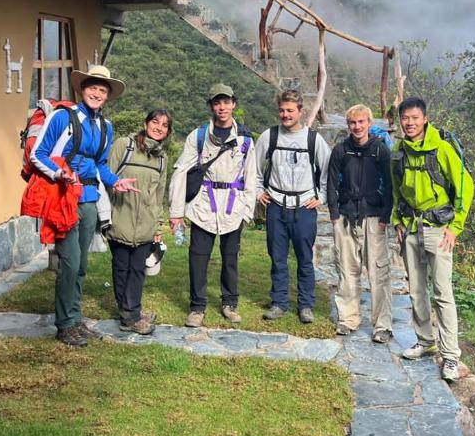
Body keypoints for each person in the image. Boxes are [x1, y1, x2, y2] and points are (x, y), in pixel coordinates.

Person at [30, 65, 139, 347]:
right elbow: (37, 154)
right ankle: (65, 324)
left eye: (102, 90)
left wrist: (116, 182)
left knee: (81, 265)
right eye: (93, 87)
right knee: (69, 263)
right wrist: (58, 173)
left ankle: (75, 319)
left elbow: (101, 165)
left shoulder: (105, 126)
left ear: (107, 96)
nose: (97, 93)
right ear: (82, 89)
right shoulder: (62, 118)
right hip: (63, 197)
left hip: (89, 198)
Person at [391, 97, 474, 381]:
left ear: (425, 118)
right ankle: (425, 341)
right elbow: (396, 188)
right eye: (405, 118)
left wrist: (456, 227)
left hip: (439, 228)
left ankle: (451, 356)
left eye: (415, 118)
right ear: (400, 120)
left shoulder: (442, 149)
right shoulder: (400, 150)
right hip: (411, 226)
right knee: (416, 289)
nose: (410, 123)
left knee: (442, 292)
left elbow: (466, 186)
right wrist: (398, 220)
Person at [168, 83, 257, 328]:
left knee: (230, 258)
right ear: (211, 106)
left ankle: (230, 303)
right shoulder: (197, 137)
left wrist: (247, 211)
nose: (222, 107)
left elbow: (251, 177)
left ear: (233, 105)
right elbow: (181, 172)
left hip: (233, 206)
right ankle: (197, 307)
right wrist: (176, 212)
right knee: (198, 257)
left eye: (226, 102)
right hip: (203, 204)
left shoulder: (246, 141)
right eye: (217, 102)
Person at [254, 89, 331, 324]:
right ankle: (279, 302)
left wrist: (323, 196)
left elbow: (328, 170)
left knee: (305, 258)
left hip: (304, 207)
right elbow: (254, 170)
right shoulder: (269, 137)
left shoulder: (313, 139)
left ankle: (306, 305)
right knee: (278, 258)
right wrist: (259, 192)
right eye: (281, 110)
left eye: (290, 110)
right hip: (276, 206)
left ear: (300, 111)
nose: (285, 115)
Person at [328, 104, 393, 341]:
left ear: (369, 123)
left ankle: (382, 325)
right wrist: (334, 213)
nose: (357, 127)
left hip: (374, 217)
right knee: (346, 269)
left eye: (361, 122)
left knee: (378, 273)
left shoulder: (380, 150)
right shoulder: (340, 151)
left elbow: (390, 183)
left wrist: (387, 215)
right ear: (348, 125)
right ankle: (348, 318)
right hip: (346, 216)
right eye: (352, 123)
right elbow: (332, 183)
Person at [106, 108, 172, 335]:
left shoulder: (162, 158)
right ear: (146, 124)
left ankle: (132, 311)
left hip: (146, 223)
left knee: (137, 270)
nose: (159, 127)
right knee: (122, 267)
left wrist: (158, 224)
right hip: (121, 217)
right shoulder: (124, 146)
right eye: (155, 122)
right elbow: (106, 176)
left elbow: (159, 194)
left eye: (164, 125)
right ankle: (129, 316)